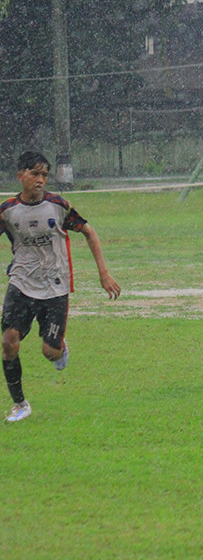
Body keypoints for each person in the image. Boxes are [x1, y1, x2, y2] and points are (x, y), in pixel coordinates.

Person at [1, 152, 121, 423]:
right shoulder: (7, 210)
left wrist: (103, 274)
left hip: (55, 286)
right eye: (35, 174)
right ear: (20, 175)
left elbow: (89, 231)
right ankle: (20, 404)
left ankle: (59, 347)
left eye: (44, 174)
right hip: (20, 283)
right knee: (9, 343)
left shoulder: (58, 206)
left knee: (49, 352)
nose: (41, 179)